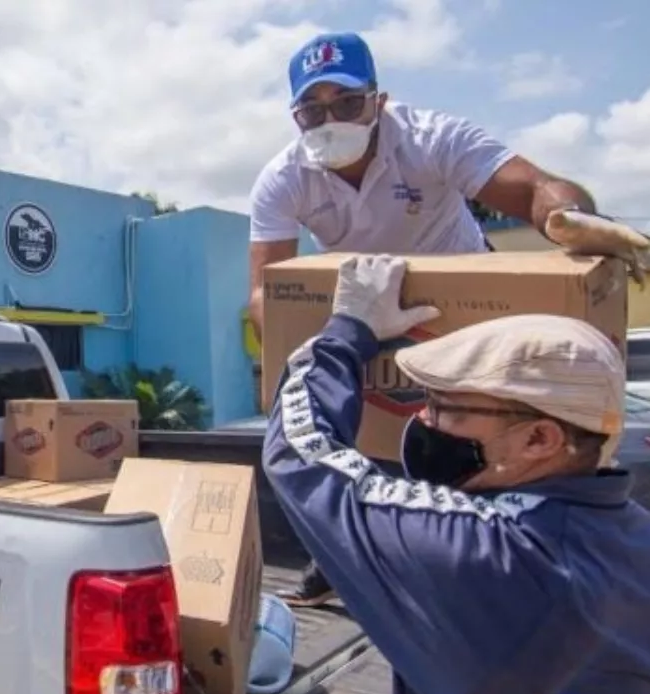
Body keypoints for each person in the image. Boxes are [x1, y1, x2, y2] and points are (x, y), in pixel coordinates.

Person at [246, 30, 650, 607]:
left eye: (347, 103)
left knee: (472, 428)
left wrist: (565, 216)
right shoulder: (283, 178)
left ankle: (493, 558)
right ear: (295, 115)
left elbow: (533, 187)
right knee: (362, 423)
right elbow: (265, 290)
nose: (329, 119)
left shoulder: (431, 137)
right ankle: (339, 556)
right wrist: (302, 341)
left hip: (462, 300)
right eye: (312, 109)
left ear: (379, 100)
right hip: (368, 299)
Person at [262, 253, 650, 694]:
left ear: (539, 438)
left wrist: (348, 330)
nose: (424, 419)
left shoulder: (485, 557)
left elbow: (301, 454)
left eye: (447, 407)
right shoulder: (628, 532)